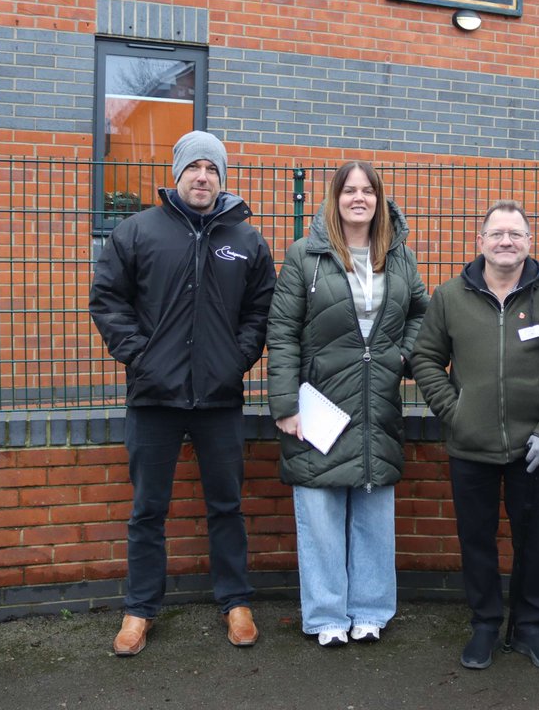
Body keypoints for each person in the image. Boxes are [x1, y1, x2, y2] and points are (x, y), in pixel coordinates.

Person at [89, 130, 277, 656]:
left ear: (222, 178)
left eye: (212, 169)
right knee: (148, 510)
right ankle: (139, 610)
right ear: (177, 174)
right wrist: (141, 355)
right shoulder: (137, 232)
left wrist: (237, 358)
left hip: (219, 397)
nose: (202, 176)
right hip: (154, 396)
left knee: (226, 506)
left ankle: (236, 603)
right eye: (194, 167)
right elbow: (108, 300)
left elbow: (260, 309)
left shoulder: (247, 241)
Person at [410, 200, 539, 672]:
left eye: (515, 233)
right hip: (470, 446)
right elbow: (425, 358)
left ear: (529, 241)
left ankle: (530, 627)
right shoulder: (450, 296)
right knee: (476, 541)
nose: (506, 241)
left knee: (537, 542)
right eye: (496, 233)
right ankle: (485, 625)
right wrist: (455, 412)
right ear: (481, 242)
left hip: (537, 449)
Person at [266, 161, 428, 647]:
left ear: (379, 199)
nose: (359, 198)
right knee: (319, 511)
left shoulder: (399, 256)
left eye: (368, 190)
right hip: (319, 403)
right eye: (349, 190)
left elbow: (421, 312)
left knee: (374, 512)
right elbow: (282, 331)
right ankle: (326, 616)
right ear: (335, 198)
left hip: (377, 399)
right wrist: (285, 404)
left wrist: (402, 355)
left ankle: (371, 611)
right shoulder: (305, 256)